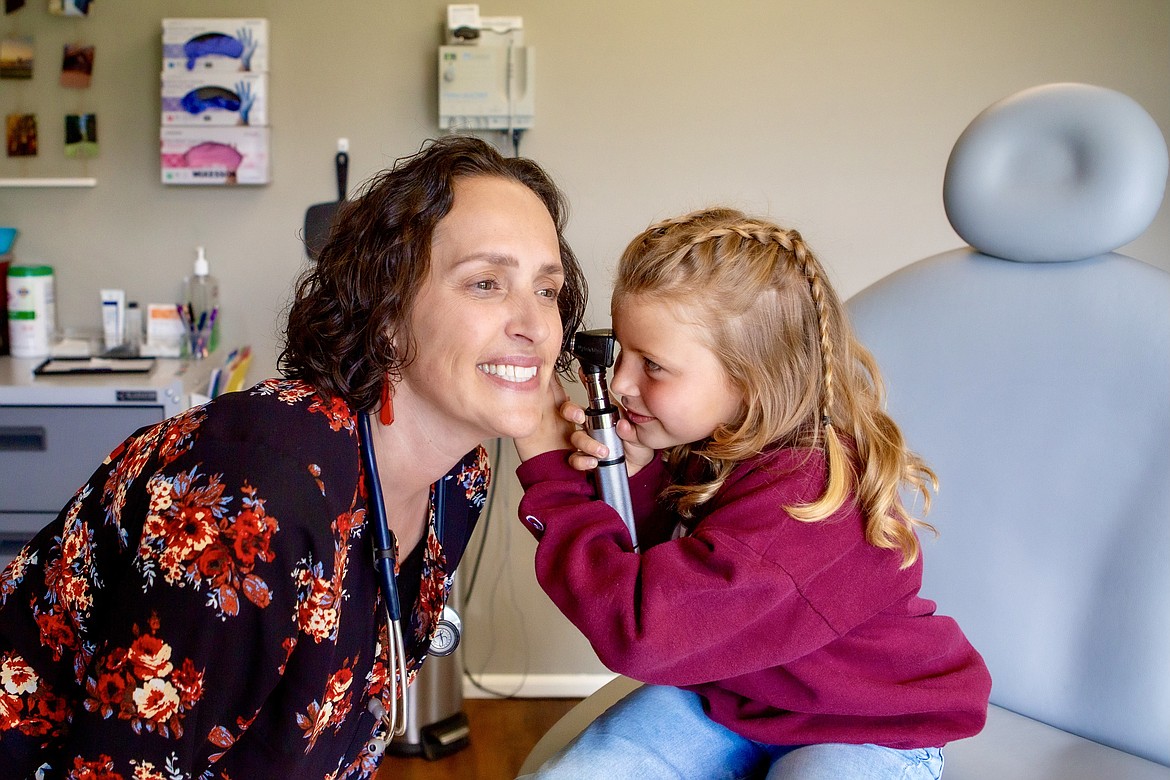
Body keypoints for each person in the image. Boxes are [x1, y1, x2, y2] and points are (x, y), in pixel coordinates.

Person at [0, 135, 586, 779]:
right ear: (387, 314)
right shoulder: (256, 495)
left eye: (547, 290)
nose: (535, 324)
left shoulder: (458, 481)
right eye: (486, 283)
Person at [514, 208, 990, 779]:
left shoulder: (806, 499)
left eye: (654, 366)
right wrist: (638, 475)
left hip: (862, 725)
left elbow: (648, 631)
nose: (619, 383)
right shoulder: (718, 446)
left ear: (751, 376)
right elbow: (671, 566)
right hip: (730, 699)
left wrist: (552, 477)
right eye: (623, 354)